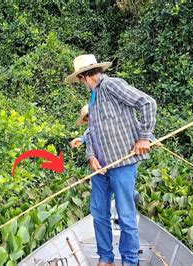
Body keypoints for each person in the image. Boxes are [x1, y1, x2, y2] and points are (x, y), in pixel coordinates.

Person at [65, 54, 157, 266]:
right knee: (99, 213)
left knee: (125, 216)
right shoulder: (94, 97)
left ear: (83, 77)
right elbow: (93, 133)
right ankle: (106, 259)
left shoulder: (112, 85)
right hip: (101, 169)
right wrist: (91, 157)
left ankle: (129, 261)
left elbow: (147, 103)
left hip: (122, 165)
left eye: (80, 80)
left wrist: (144, 138)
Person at [69, 105, 141, 206]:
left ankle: (132, 197)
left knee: (122, 185)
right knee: (109, 186)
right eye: (88, 117)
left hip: (120, 160)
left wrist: (152, 140)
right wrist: (81, 140)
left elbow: (135, 127)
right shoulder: (92, 128)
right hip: (103, 164)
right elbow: (88, 136)